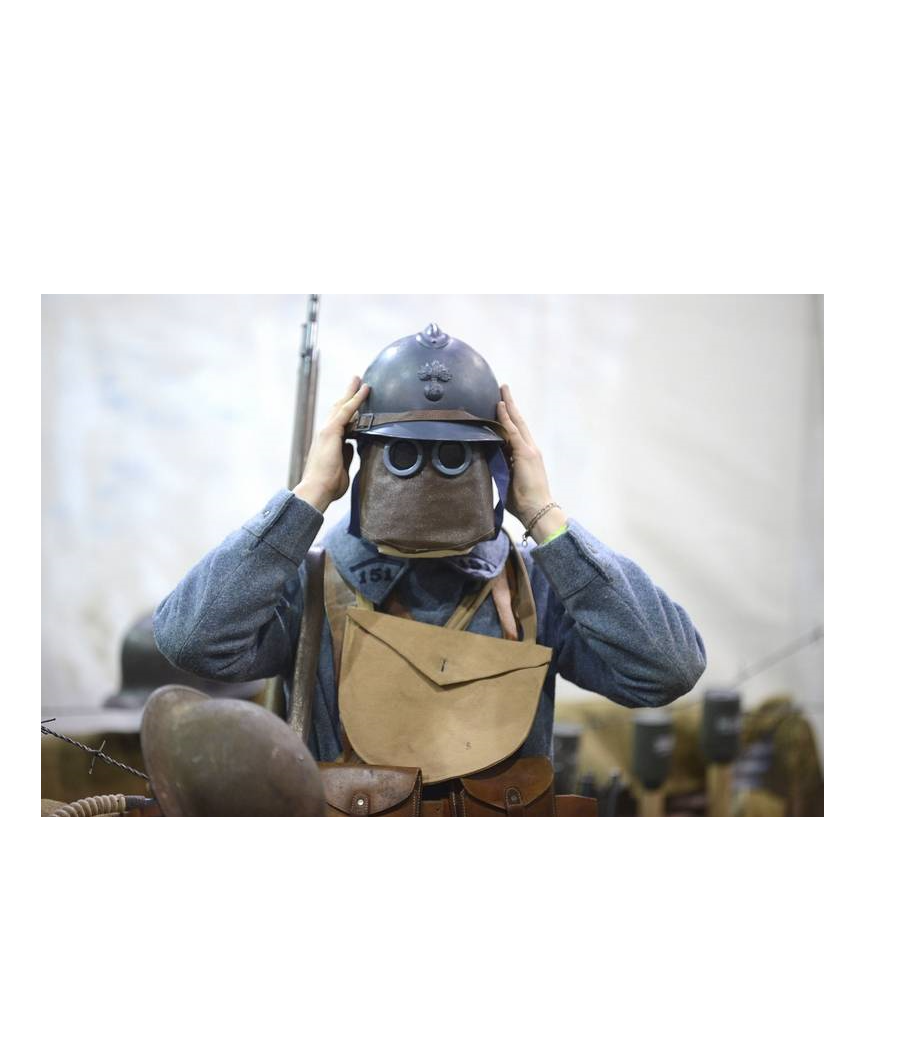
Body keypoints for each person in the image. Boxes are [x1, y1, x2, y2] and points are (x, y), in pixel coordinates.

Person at [153, 325, 706, 815]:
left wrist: (545, 517)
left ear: (500, 461)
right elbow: (192, 639)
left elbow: (666, 668)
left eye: (454, 455)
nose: (427, 477)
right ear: (357, 455)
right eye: (401, 454)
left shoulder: (535, 587)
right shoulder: (312, 585)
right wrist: (307, 498)